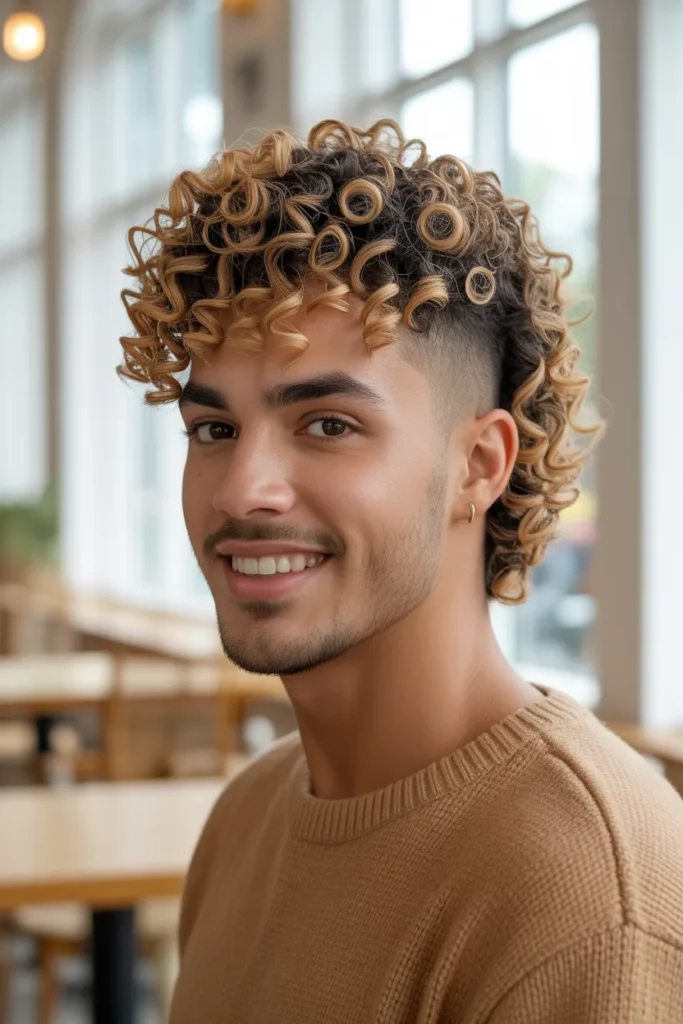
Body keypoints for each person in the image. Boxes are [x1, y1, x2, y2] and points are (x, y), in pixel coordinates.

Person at [118, 119, 683, 1022]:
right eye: (213, 430)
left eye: (327, 424)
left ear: (478, 467)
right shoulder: (246, 817)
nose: (242, 488)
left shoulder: (590, 903)